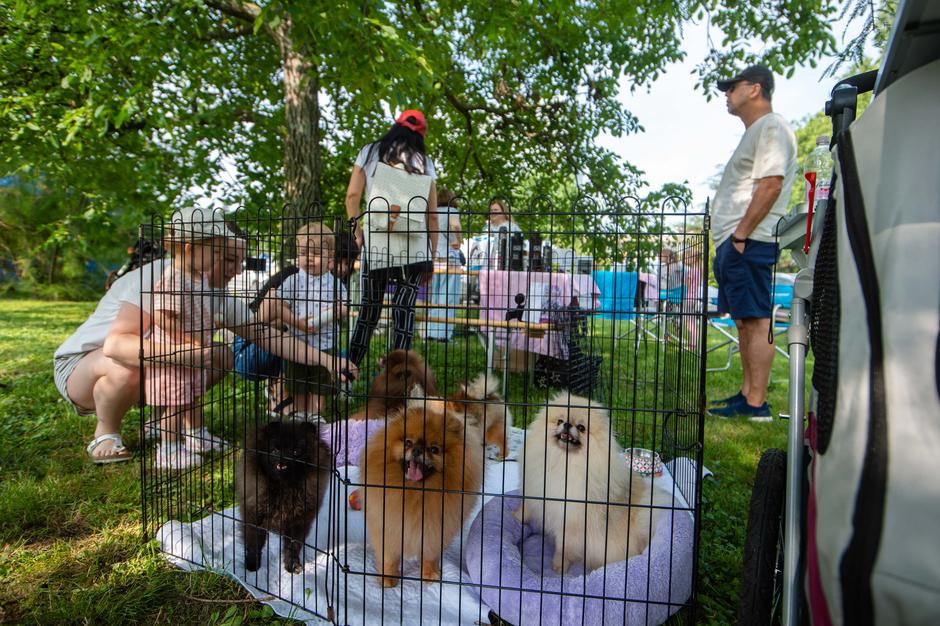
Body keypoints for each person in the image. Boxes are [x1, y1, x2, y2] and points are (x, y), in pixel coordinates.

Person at [53, 209, 356, 465]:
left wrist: (325, 359)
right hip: (86, 369)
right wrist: (186, 353)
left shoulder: (214, 290)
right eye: (227, 259)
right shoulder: (161, 278)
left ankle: (167, 424)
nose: (237, 270)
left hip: (148, 369)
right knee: (130, 364)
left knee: (221, 354)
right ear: (194, 250)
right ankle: (106, 432)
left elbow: (262, 333)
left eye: (240, 261)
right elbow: (116, 345)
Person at [707, 65, 797, 420]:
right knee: (744, 320)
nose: (726, 94)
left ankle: (757, 402)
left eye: (732, 87)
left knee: (757, 320)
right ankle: (746, 395)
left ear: (755, 88)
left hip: (749, 240)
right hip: (736, 242)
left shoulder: (772, 127)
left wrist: (741, 234)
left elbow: (771, 184)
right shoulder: (757, 132)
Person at [344, 109, 439, 367]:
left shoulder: (370, 152)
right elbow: (432, 214)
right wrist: (431, 256)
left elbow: (352, 197)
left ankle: (348, 374)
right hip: (414, 248)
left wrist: (357, 232)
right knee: (404, 313)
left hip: (377, 244)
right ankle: (399, 381)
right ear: (421, 135)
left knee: (368, 312)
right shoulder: (424, 161)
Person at [256, 221, 349, 419]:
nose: (308, 259)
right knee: (296, 382)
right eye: (303, 253)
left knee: (320, 383)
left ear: (330, 257)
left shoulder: (336, 284)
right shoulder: (293, 280)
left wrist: (336, 311)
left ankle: (315, 416)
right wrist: (297, 322)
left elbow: (343, 307)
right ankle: (299, 415)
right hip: (296, 343)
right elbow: (280, 306)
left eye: (315, 254)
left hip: (324, 343)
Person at [425, 188, 463, 341]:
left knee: (434, 296)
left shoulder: (432, 212)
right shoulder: (451, 210)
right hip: (450, 258)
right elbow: (456, 226)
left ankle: (431, 332)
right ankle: (444, 334)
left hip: (435, 258)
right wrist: (458, 240)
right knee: (449, 297)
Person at [471, 199, 522, 270]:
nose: (493, 212)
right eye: (491, 210)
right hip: (489, 266)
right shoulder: (486, 227)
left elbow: (518, 247)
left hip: (507, 265)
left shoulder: (513, 227)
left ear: (504, 212)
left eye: (496, 210)